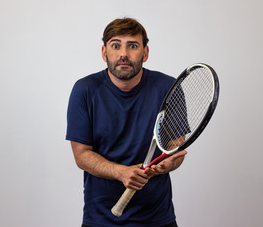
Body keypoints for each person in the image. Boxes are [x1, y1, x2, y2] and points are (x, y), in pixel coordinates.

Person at [66, 17, 187, 227]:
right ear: (104, 52)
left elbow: (175, 149)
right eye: (115, 45)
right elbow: (81, 155)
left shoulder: (168, 88)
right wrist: (121, 173)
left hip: (157, 219)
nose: (123, 53)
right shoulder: (85, 90)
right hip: (101, 219)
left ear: (145, 53)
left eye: (133, 46)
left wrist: (168, 163)